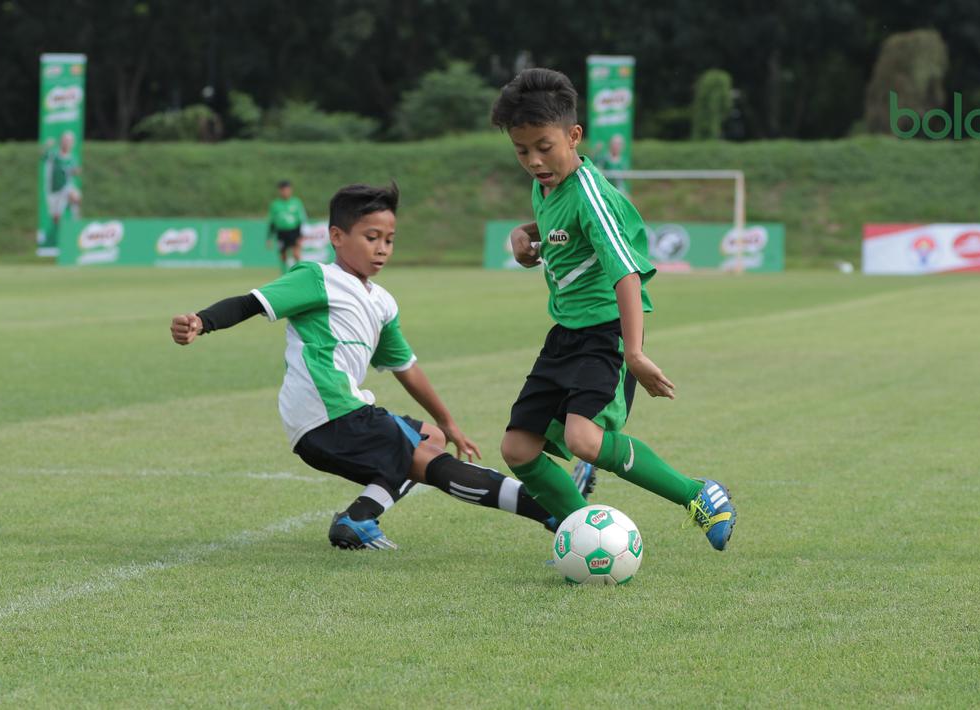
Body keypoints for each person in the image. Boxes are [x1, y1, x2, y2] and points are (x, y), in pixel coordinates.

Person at [172, 183, 594, 550]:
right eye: (371, 237)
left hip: (337, 418)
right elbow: (249, 303)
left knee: (428, 438)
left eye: (389, 239)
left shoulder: (381, 301)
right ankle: (552, 510)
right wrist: (201, 321)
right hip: (331, 415)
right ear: (337, 236)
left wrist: (449, 424)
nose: (382, 248)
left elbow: (406, 367)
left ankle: (359, 517)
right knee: (426, 461)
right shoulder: (316, 278)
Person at [490, 68, 737, 551]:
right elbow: (552, 224)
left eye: (545, 146)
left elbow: (626, 273)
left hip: (606, 333)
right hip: (564, 334)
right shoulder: (547, 186)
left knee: (584, 440)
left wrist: (636, 354)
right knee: (517, 449)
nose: (535, 161)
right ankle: (584, 534)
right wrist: (523, 235)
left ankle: (699, 494)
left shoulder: (590, 194)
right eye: (522, 151)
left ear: (574, 135)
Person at [42, 131, 81, 247]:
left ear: (72, 143)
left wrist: (76, 171)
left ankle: (77, 226)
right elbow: (42, 156)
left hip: (66, 188)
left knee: (75, 196)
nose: (67, 143)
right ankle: (63, 238)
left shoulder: (72, 158)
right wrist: (46, 145)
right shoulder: (54, 155)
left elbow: (75, 170)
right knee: (56, 217)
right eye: (65, 140)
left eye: (69, 141)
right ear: (61, 142)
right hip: (53, 191)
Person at [266, 180, 309, 273]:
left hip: (294, 231)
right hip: (281, 232)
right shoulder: (275, 204)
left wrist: (301, 234)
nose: (285, 192)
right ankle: (284, 275)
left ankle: (299, 273)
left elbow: (302, 219)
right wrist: (269, 238)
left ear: (290, 190)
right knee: (283, 256)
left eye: (287, 190)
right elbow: (272, 222)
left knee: (296, 254)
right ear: (280, 191)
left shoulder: (296, 202)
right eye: (283, 190)